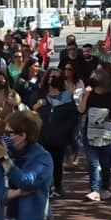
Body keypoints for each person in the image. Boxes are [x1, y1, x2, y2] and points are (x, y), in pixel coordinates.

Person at [34, 69, 78, 198]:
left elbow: (73, 117)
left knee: (57, 163)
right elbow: (29, 113)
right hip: (42, 137)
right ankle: (44, 187)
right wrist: (36, 107)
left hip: (59, 138)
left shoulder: (67, 97)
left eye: (57, 77)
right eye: (51, 76)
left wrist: (66, 133)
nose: (53, 79)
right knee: (42, 163)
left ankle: (57, 186)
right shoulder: (40, 95)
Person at [79, 65, 111, 201]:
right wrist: (86, 95)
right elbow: (81, 110)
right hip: (89, 131)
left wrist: (100, 115)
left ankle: (105, 188)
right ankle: (94, 190)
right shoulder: (89, 92)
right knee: (93, 162)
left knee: (105, 162)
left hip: (106, 132)